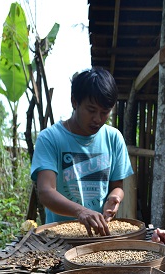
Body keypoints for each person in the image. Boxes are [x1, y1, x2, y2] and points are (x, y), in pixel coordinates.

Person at [31, 67, 134, 236]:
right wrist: (81, 212)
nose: (98, 119)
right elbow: (46, 191)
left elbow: (117, 186)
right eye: (91, 110)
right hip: (59, 237)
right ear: (74, 102)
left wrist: (114, 198)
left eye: (104, 112)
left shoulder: (114, 138)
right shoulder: (50, 138)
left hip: (100, 233)